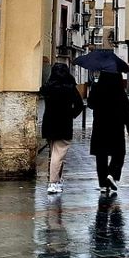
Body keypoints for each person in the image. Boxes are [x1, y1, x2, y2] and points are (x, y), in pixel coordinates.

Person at [39, 63, 85, 194]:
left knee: (54, 153)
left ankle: (57, 179)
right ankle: (53, 182)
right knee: (59, 155)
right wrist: (70, 114)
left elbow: (42, 92)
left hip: (49, 124)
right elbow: (79, 105)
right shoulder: (70, 88)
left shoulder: (48, 87)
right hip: (64, 124)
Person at [87, 71, 129, 196]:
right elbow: (127, 112)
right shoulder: (120, 92)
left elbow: (90, 104)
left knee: (101, 156)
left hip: (100, 127)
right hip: (116, 128)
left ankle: (103, 184)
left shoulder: (97, 89)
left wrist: (94, 88)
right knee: (119, 153)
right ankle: (112, 174)